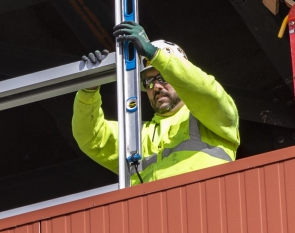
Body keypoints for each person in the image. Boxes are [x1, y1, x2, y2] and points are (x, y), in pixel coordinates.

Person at [72, 21, 240, 184]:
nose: (156, 87)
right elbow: (90, 136)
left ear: (179, 75)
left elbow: (208, 93)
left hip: (204, 206)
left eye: (162, 77)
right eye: (149, 82)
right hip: (153, 211)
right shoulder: (139, 136)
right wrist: (89, 89)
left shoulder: (211, 120)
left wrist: (156, 55)